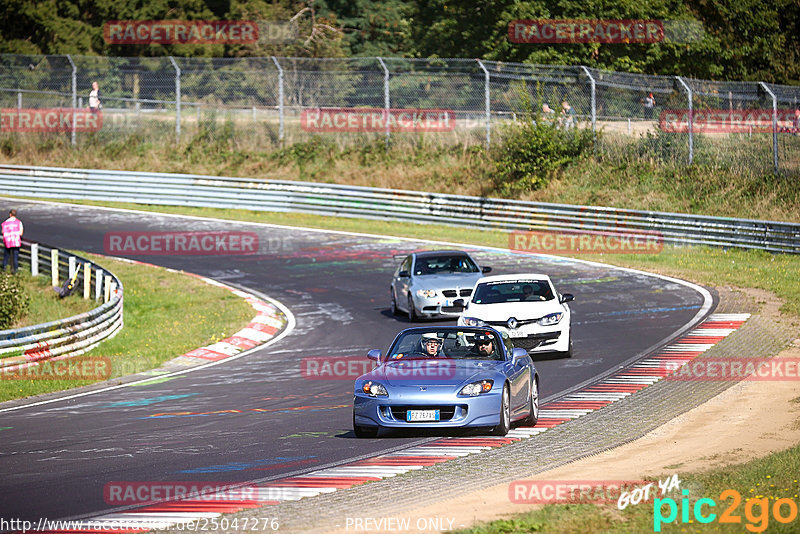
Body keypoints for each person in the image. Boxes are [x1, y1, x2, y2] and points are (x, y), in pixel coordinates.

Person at [2, 209, 23, 273]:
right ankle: (15, 271)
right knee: (15, 257)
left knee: (6, 256)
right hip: (16, 241)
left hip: (8, 241)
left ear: (10, 214)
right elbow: (21, 233)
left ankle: (4, 269)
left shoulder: (5, 223)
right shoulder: (19, 222)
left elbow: (3, 232)